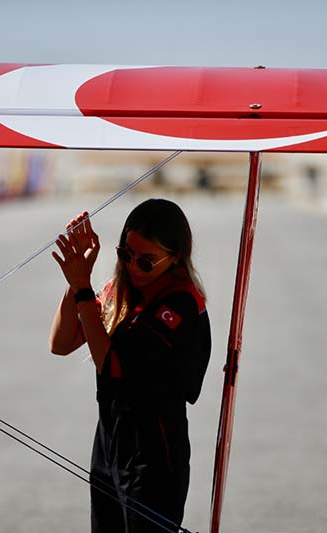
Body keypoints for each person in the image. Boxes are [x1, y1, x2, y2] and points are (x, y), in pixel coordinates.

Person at [49, 198, 211, 533]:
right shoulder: (120, 290)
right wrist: (76, 279)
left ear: (176, 257)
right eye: (126, 254)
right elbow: (61, 344)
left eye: (147, 262)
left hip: (153, 453)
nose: (134, 267)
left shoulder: (180, 303)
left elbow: (113, 366)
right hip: (109, 441)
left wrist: (82, 289)